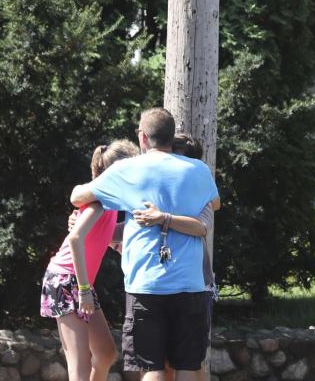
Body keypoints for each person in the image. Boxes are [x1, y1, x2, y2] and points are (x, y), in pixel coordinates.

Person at [70, 109, 218, 381]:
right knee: (187, 365)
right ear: (171, 137)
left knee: (152, 367)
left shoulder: (126, 170)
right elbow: (214, 204)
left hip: (145, 285)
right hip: (191, 283)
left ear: (142, 137)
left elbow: (78, 197)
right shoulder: (199, 170)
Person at [41, 140, 138, 381]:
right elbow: (75, 239)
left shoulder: (112, 203)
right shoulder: (100, 200)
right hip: (66, 281)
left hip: (79, 282)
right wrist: (84, 289)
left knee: (105, 353)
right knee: (80, 367)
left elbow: (106, 234)